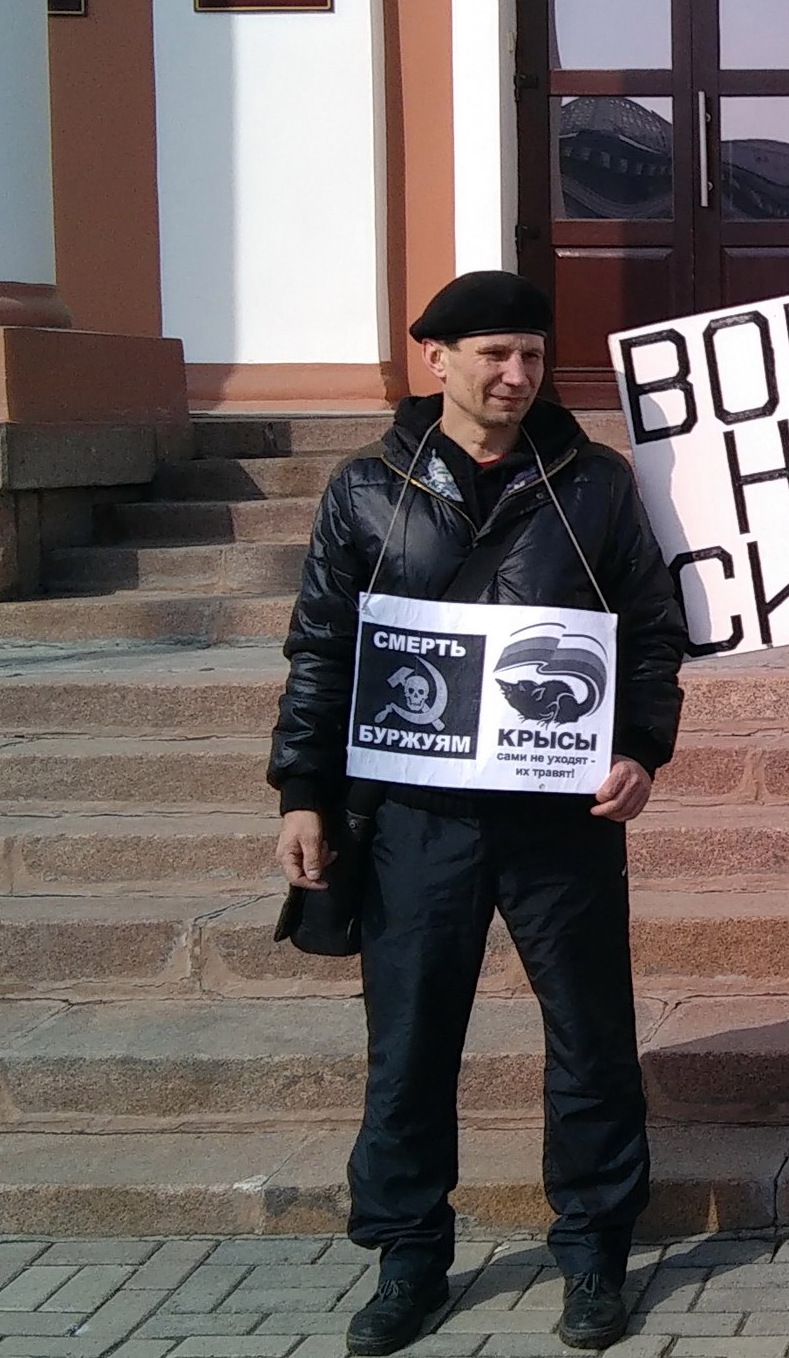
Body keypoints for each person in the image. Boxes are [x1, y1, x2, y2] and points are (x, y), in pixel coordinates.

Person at [269, 272, 689, 1356]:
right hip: (416, 817)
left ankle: (594, 1250)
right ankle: (409, 1256)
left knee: (591, 1037)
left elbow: (651, 628)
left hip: (560, 815)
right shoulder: (367, 489)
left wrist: (640, 748)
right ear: (438, 359)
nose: (517, 374)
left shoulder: (594, 484)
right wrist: (304, 791)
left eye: (532, 355)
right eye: (496, 354)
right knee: (409, 1041)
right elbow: (322, 646)